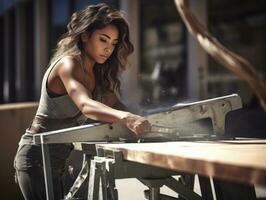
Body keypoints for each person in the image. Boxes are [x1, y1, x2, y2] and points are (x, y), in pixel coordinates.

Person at [14, 3, 150, 200]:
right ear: (85, 35)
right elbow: (86, 105)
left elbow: (117, 107)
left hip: (60, 160)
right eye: (103, 39)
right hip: (36, 158)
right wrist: (127, 118)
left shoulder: (97, 73)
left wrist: (150, 119)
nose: (108, 49)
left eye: (113, 43)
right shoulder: (69, 64)